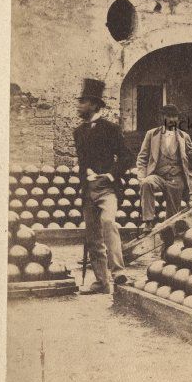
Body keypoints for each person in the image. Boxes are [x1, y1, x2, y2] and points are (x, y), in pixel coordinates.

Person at [73, 78, 133, 295]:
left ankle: (118, 273)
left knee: (108, 223)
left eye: (83, 102)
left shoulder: (111, 129)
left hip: (107, 188)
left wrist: (110, 174)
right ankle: (101, 282)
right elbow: (82, 162)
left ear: (94, 105)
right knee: (93, 237)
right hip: (89, 190)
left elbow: (127, 157)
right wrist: (84, 177)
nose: (79, 106)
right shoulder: (78, 132)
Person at [135, 104, 192, 232]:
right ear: (162, 117)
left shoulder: (184, 136)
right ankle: (148, 222)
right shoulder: (151, 134)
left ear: (178, 119)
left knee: (172, 216)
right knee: (147, 183)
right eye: (168, 116)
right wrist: (141, 177)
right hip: (158, 175)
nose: (171, 119)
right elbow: (142, 158)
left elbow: (191, 155)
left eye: (174, 116)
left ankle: (169, 230)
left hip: (176, 178)